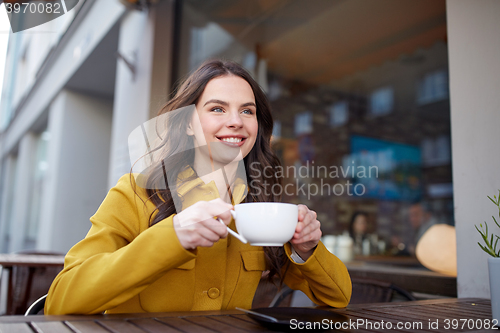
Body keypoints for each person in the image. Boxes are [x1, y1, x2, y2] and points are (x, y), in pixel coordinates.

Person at [45, 59, 351, 315]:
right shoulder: (136, 193)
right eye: (217, 109)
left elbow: (337, 298)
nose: (236, 121)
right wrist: (173, 235)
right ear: (189, 123)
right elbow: (61, 301)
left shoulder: (261, 206)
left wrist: (306, 249)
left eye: (247, 111)